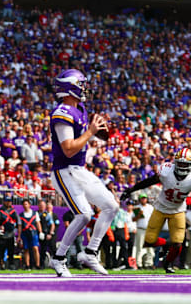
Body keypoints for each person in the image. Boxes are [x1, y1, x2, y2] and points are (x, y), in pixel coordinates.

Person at [49, 69, 119, 277]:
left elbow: (90, 137)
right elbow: (69, 148)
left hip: (79, 170)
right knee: (84, 214)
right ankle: (59, 258)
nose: (85, 88)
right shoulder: (62, 112)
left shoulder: (80, 109)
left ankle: (89, 253)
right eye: (81, 84)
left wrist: (100, 133)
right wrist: (90, 132)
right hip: (64, 171)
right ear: (70, 87)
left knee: (111, 206)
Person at [121, 147, 191, 273]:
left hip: (178, 210)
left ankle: (168, 264)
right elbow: (149, 181)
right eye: (179, 163)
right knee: (149, 240)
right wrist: (131, 189)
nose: (181, 166)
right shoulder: (166, 171)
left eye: (184, 164)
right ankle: (166, 245)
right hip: (160, 208)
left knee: (178, 242)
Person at [0, 195, 20, 270]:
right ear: (4, 202)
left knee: (11, 251)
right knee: (0, 252)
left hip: (11, 234)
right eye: (7, 201)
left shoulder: (13, 211)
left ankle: (11, 264)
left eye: (9, 201)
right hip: (2, 235)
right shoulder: (0, 211)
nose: (8, 203)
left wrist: (17, 232)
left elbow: (18, 222)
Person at [18, 199, 42, 270]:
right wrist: (19, 236)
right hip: (25, 233)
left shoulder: (35, 213)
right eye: (24, 204)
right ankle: (27, 265)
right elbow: (19, 226)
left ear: (29, 205)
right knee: (26, 249)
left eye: (26, 204)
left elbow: (38, 223)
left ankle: (37, 265)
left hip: (33, 233)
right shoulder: (21, 215)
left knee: (35, 248)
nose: (25, 206)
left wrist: (40, 232)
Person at [38, 200, 55, 269]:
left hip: (45, 234)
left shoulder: (47, 214)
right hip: (36, 233)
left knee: (43, 250)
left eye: (43, 205)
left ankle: (43, 265)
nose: (42, 206)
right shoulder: (36, 213)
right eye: (40, 205)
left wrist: (50, 233)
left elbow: (52, 224)